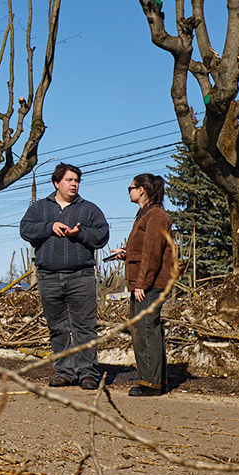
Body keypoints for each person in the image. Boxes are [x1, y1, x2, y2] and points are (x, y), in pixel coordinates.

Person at [20, 163, 110, 390]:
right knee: (57, 328)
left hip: (81, 277)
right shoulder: (40, 208)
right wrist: (49, 227)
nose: (74, 184)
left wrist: (81, 233)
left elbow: (102, 235)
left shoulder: (89, 209)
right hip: (48, 277)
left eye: (77, 181)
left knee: (84, 327)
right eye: (69, 180)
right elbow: (25, 229)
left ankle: (87, 373)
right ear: (56, 183)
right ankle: (65, 372)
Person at [110, 173, 176, 397]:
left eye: (130, 188)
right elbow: (144, 250)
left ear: (141, 190)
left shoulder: (155, 215)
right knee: (147, 328)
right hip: (147, 282)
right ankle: (157, 381)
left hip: (150, 284)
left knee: (145, 329)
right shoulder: (145, 215)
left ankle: (150, 383)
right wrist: (126, 253)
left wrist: (142, 284)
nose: (129, 192)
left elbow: (152, 253)